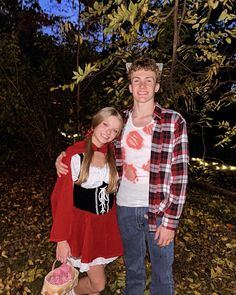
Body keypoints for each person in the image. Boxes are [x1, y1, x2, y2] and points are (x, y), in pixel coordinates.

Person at [56, 57, 189, 295]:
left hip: (158, 210)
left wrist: (171, 221)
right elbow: (97, 144)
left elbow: (180, 175)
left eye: (149, 80)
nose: (142, 86)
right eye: (136, 80)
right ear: (130, 86)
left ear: (157, 86)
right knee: (134, 270)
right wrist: (64, 155)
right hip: (125, 209)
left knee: (162, 274)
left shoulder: (172, 121)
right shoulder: (122, 121)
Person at [50, 107, 124, 295]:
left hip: (104, 226)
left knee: (95, 284)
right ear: (96, 122)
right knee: (98, 284)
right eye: (105, 124)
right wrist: (61, 239)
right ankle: (69, 293)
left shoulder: (113, 156)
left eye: (114, 130)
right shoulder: (75, 154)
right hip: (82, 226)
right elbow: (60, 198)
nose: (108, 131)